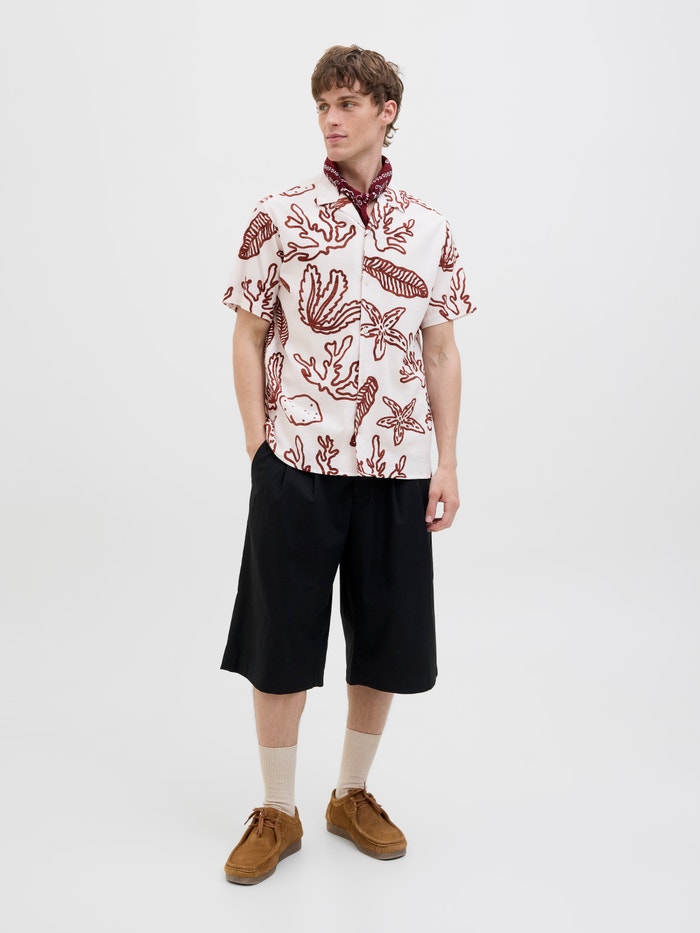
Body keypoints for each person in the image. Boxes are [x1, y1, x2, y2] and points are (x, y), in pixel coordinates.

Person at [219, 44, 476, 885]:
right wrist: (259, 447)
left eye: (348, 104)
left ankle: (351, 793)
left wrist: (446, 460)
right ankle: (278, 808)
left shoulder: (429, 227)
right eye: (323, 105)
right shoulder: (278, 214)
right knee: (280, 636)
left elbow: (441, 350)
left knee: (387, 638)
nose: (331, 119)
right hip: (298, 461)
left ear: (386, 112)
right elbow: (248, 333)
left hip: (397, 465)